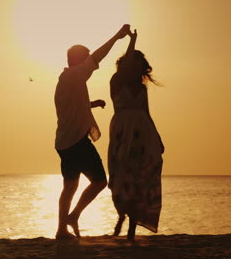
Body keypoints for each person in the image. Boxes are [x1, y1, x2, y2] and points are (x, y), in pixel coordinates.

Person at [54, 24, 131, 239]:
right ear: (78, 60)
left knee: (69, 187)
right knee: (99, 182)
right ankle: (73, 216)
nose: (90, 63)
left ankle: (61, 229)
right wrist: (117, 36)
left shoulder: (65, 79)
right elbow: (98, 56)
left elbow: (71, 106)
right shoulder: (75, 75)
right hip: (77, 142)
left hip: (64, 142)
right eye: (85, 58)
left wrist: (92, 104)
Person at [107, 28, 165, 243]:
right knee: (120, 178)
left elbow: (147, 113)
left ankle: (131, 229)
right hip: (123, 134)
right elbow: (127, 61)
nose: (136, 68)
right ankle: (122, 215)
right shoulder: (116, 81)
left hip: (143, 135)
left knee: (139, 179)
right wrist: (132, 40)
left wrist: (158, 138)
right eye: (133, 63)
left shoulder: (141, 88)